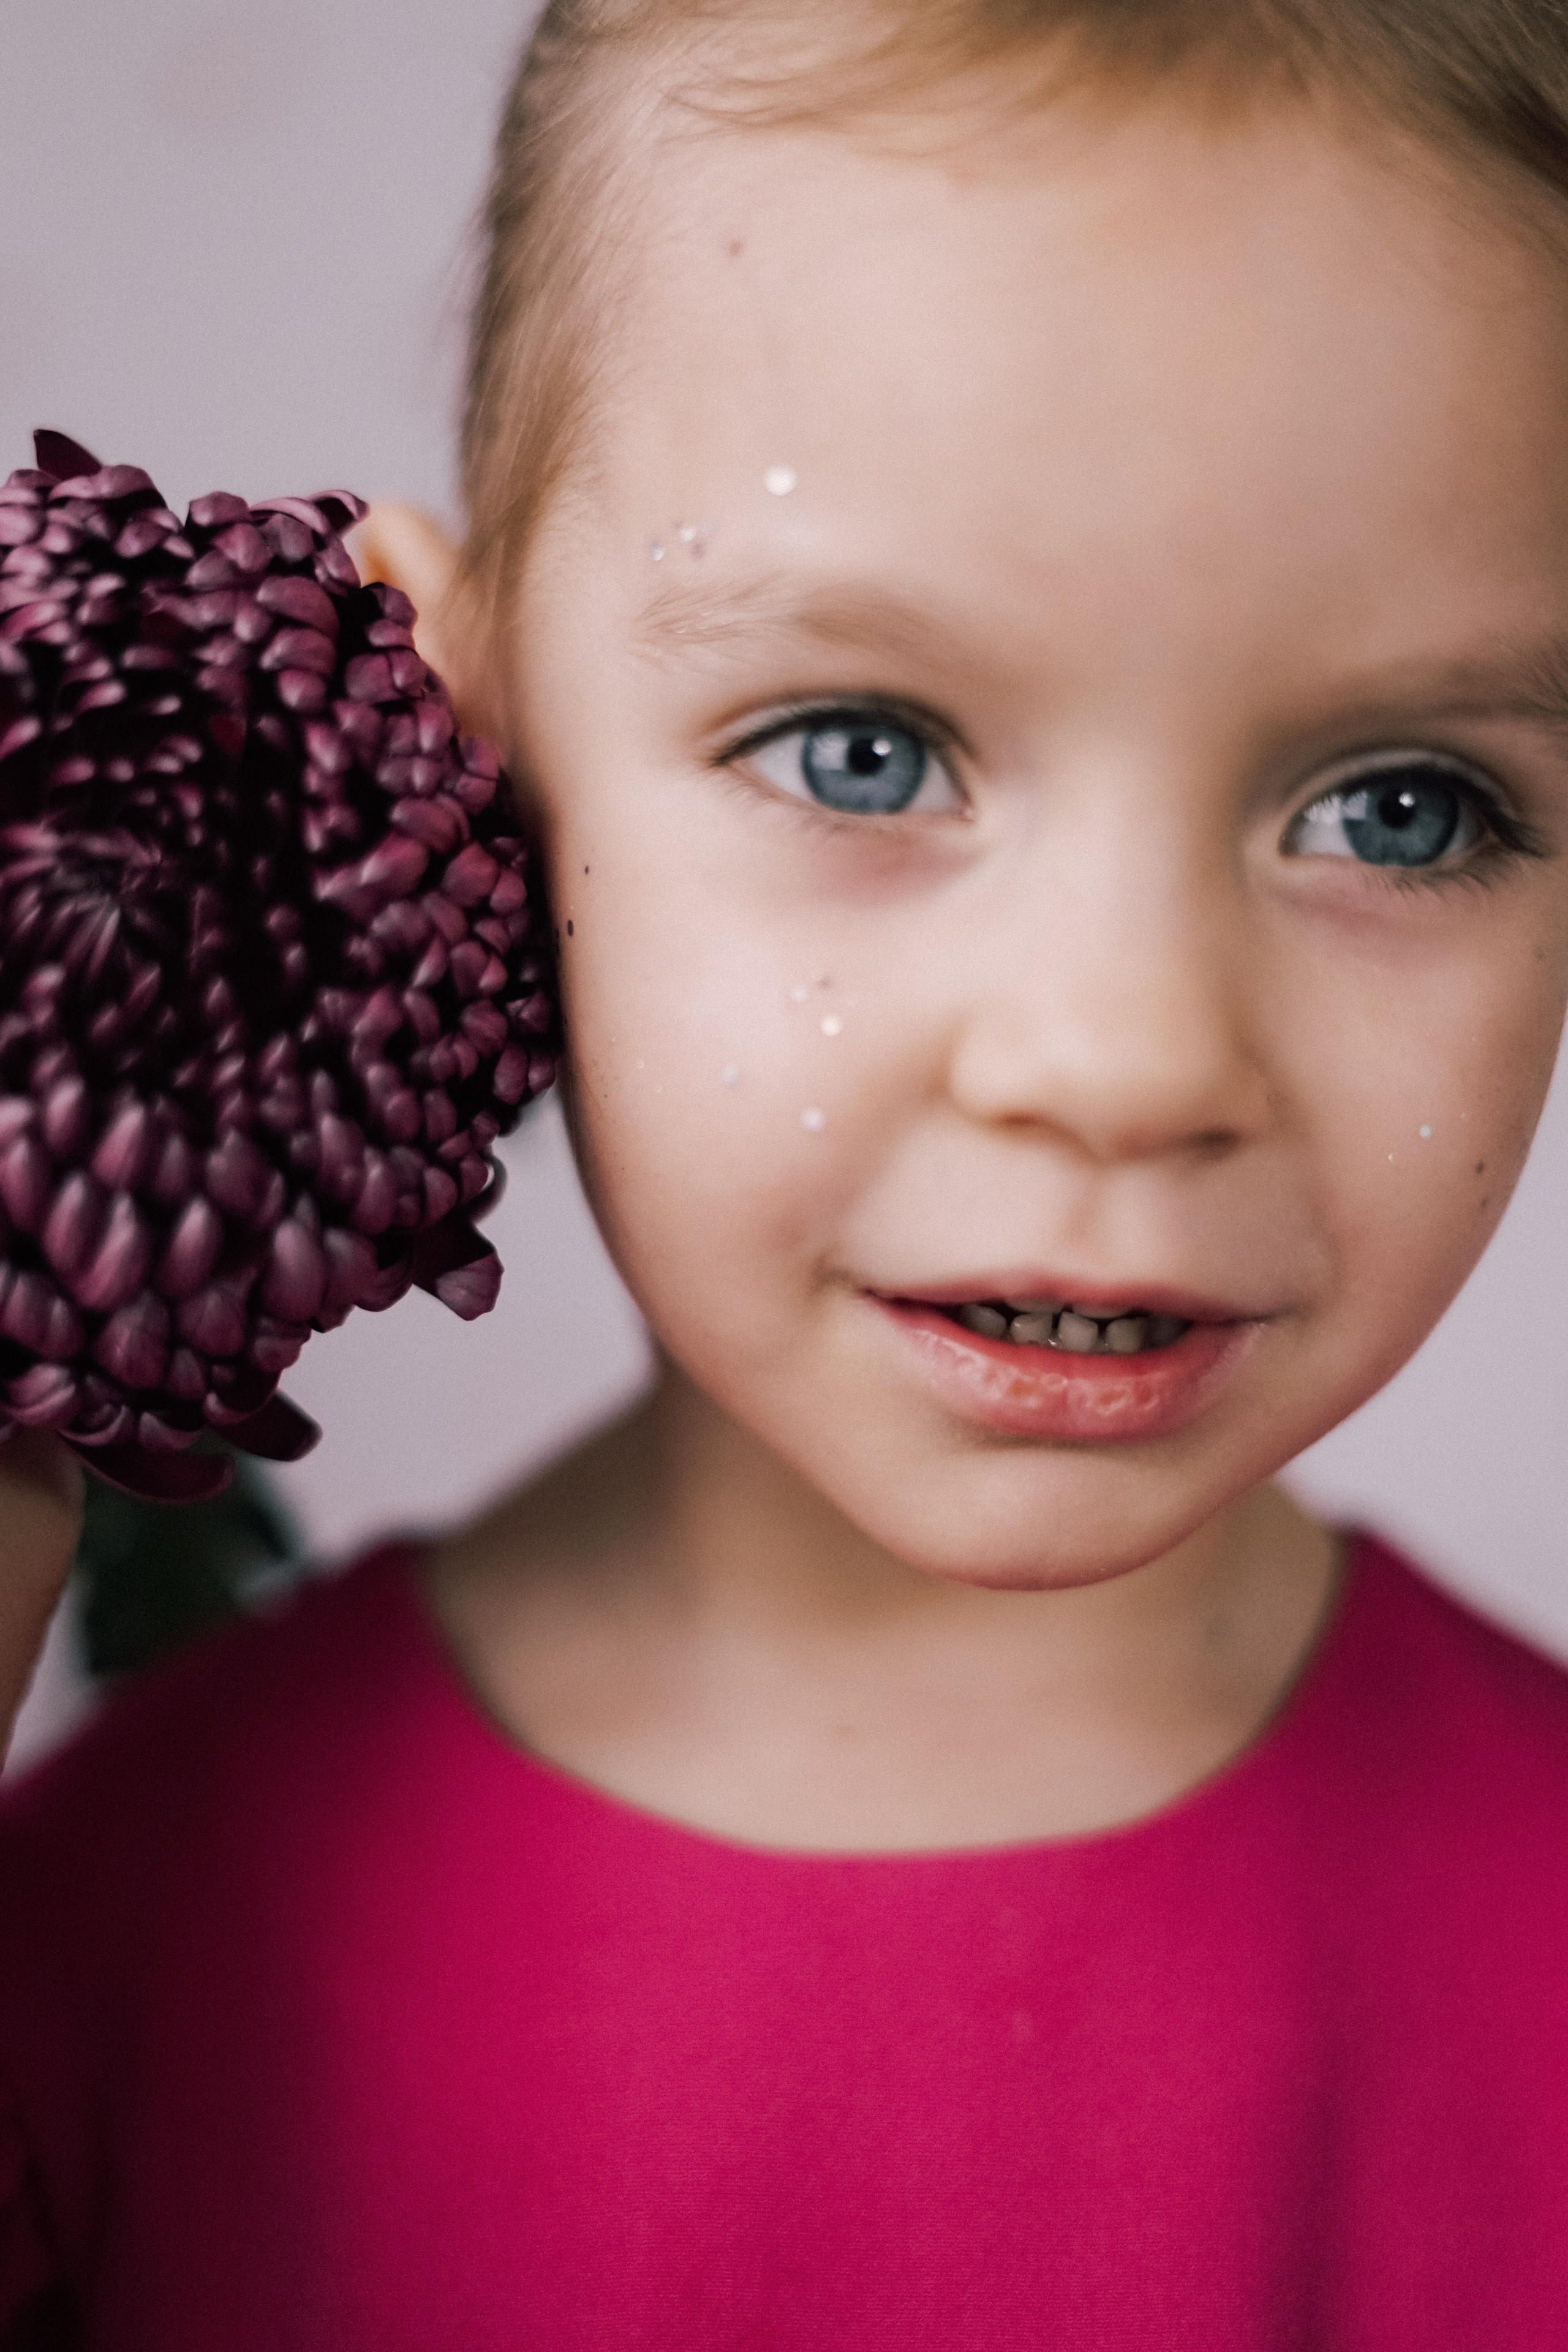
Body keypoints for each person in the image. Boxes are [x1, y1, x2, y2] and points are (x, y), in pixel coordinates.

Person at [4, 0, 1568, 2340]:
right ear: (447, 725)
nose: (1129, 1063)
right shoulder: (93, 1966)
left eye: (1403, 808)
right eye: (862, 751)